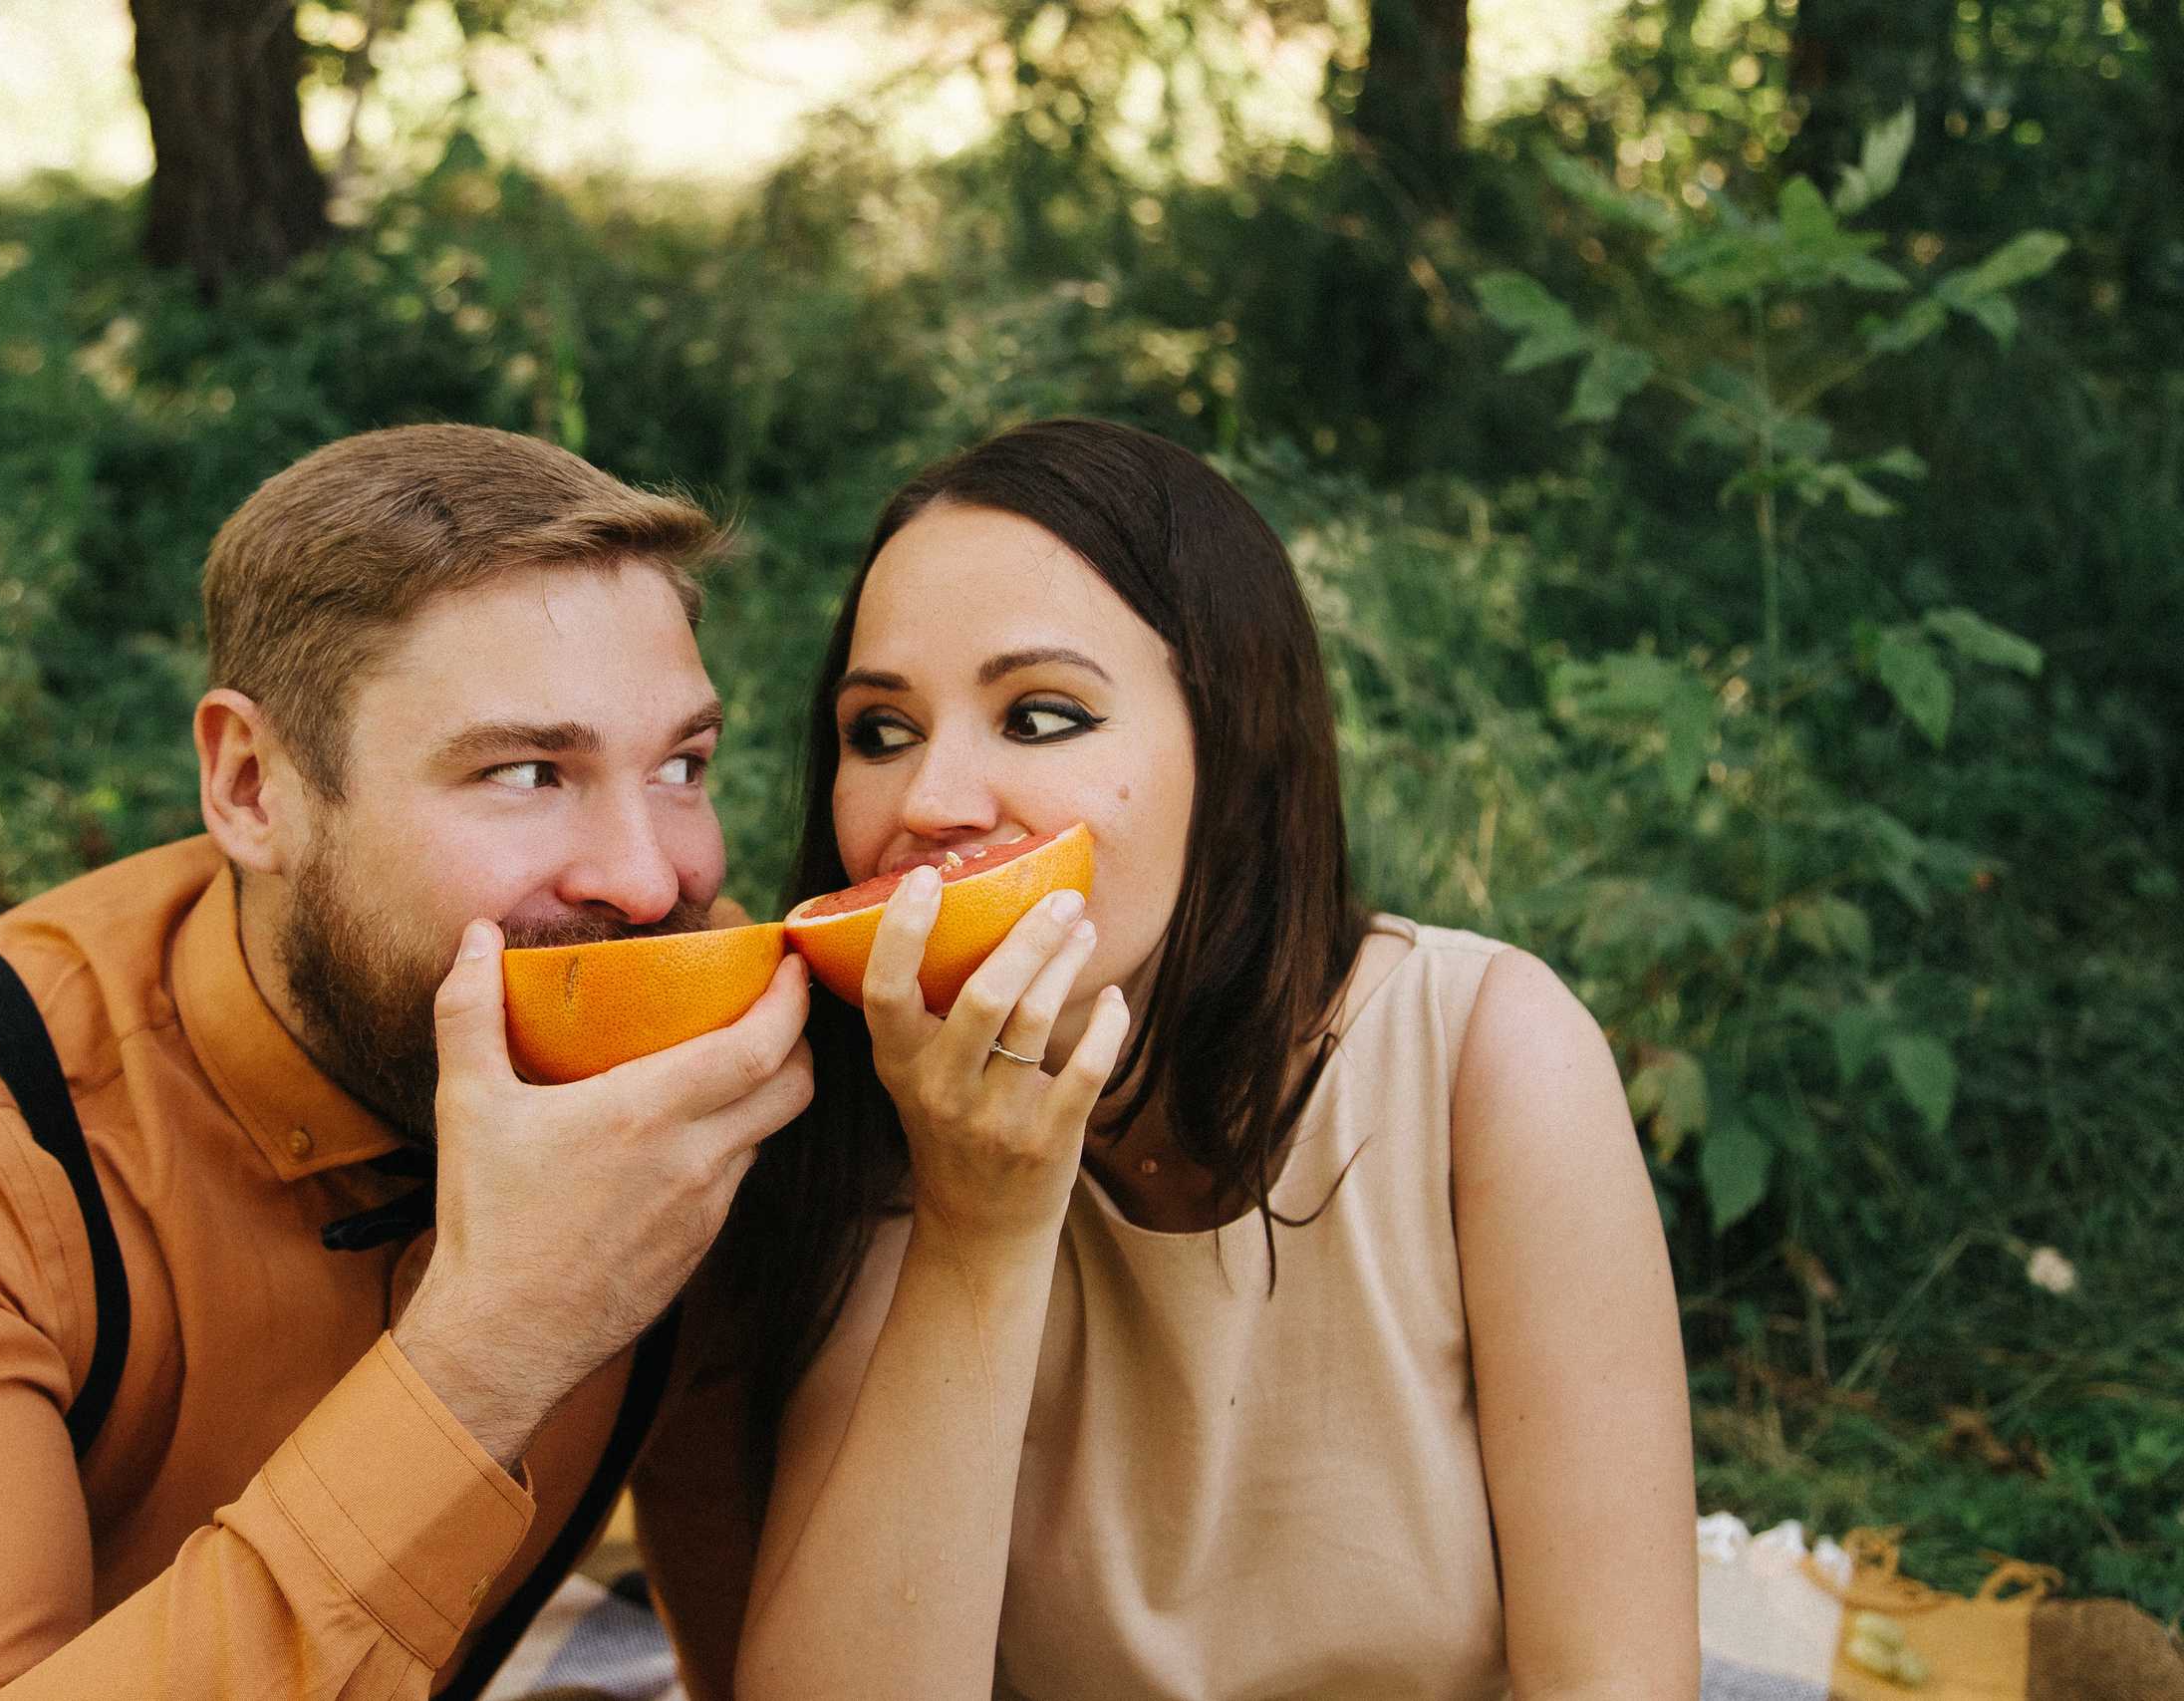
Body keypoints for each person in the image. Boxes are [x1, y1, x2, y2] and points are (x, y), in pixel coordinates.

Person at [0, 425, 812, 1701]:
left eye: (683, 766)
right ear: (254, 787)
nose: (647, 881)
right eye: (527, 773)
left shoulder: (703, 1070)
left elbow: (770, 1643)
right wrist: (497, 1345)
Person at [724, 418, 1699, 1699]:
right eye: (879, 731)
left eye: (1041, 715)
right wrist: (977, 1227)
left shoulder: (1485, 1057)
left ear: (1232, 750)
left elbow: (1614, 1682)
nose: (930, 804)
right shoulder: (877, 1108)